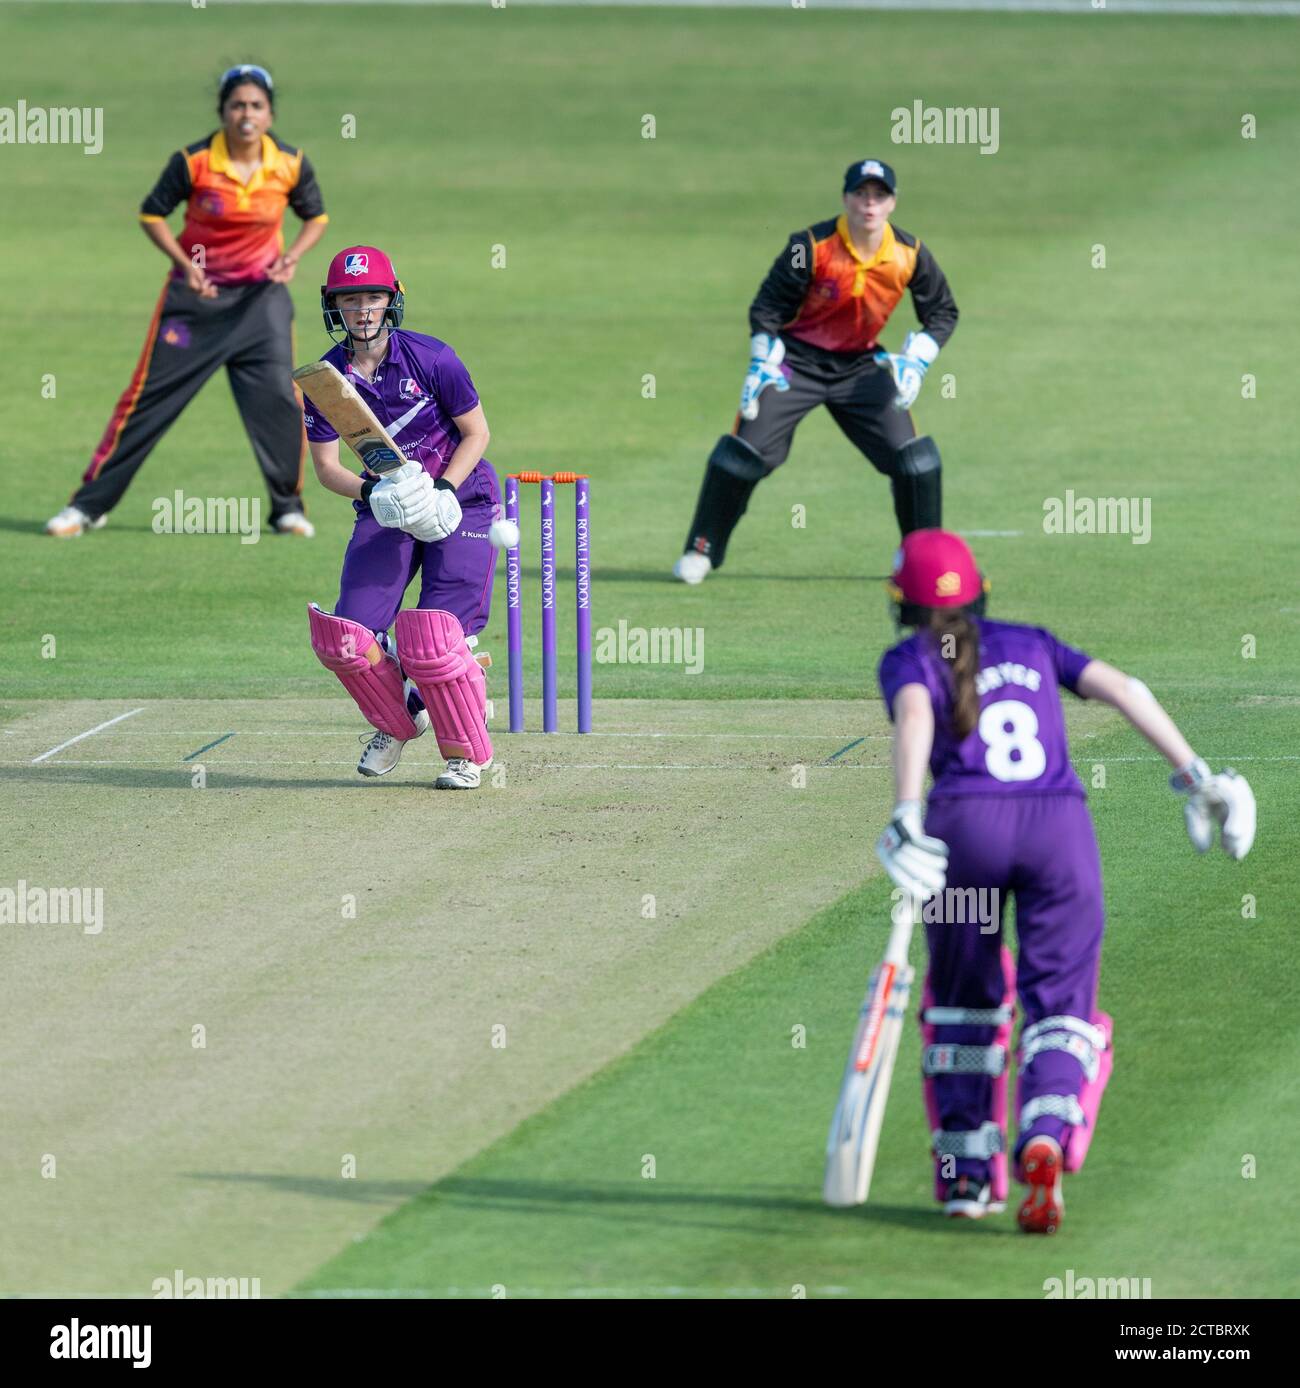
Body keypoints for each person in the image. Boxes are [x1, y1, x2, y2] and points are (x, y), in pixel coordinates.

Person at [874, 530, 1256, 1232]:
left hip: (967, 832)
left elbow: (917, 715)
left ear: (903, 604)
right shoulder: (1030, 641)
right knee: (1061, 1009)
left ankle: (967, 1180)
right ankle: (1046, 1132)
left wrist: (905, 815)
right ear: (981, 589)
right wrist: (1197, 776)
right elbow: (1125, 689)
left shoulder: (909, 657)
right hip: (1059, 835)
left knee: (963, 1008)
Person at [47, 64, 329, 539]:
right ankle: (87, 507)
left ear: (269, 112)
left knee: (281, 402)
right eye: (237, 104)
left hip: (262, 304)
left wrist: (293, 258)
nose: (246, 114)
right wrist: (186, 263)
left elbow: (315, 216)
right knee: (147, 403)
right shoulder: (194, 161)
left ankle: (288, 509)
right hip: (195, 304)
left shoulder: (290, 162)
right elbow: (151, 213)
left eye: (256, 106)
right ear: (222, 111)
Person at [674, 158, 957, 584]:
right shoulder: (810, 245)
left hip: (862, 367)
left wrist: (918, 359)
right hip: (795, 364)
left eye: (879, 196)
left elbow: (942, 311)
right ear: (845, 198)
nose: (869, 204)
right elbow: (767, 306)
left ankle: (926, 566)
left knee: (915, 461)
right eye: (861, 194)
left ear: (892, 203)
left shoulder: (909, 254)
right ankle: (701, 550)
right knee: (740, 457)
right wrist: (760, 359)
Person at [302, 246, 498, 790]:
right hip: (386, 508)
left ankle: (464, 754)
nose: (362, 310)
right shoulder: (326, 381)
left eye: (372, 298)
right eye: (350, 300)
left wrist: (442, 489)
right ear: (334, 307)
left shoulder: (433, 359)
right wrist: (373, 490)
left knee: (433, 640)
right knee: (347, 639)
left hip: (462, 501)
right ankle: (400, 716)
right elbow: (325, 467)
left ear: (391, 302)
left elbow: (477, 433)